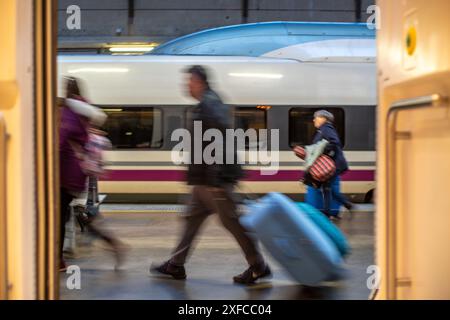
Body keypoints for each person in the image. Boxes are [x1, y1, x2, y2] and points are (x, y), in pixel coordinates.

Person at [150, 65, 271, 285]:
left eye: (188, 81)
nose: (185, 85)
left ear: (198, 82)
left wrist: (216, 179)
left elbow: (220, 141)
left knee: (233, 223)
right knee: (191, 221)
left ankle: (258, 266)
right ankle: (176, 265)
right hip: (203, 181)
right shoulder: (206, 104)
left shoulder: (210, 104)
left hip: (214, 181)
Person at [310, 110, 354, 219]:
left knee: (326, 188)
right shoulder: (323, 129)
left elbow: (335, 142)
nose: (314, 120)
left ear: (323, 118)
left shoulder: (326, 128)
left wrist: (322, 151)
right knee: (327, 188)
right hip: (332, 164)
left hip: (332, 164)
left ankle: (328, 212)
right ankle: (344, 205)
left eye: (316, 117)